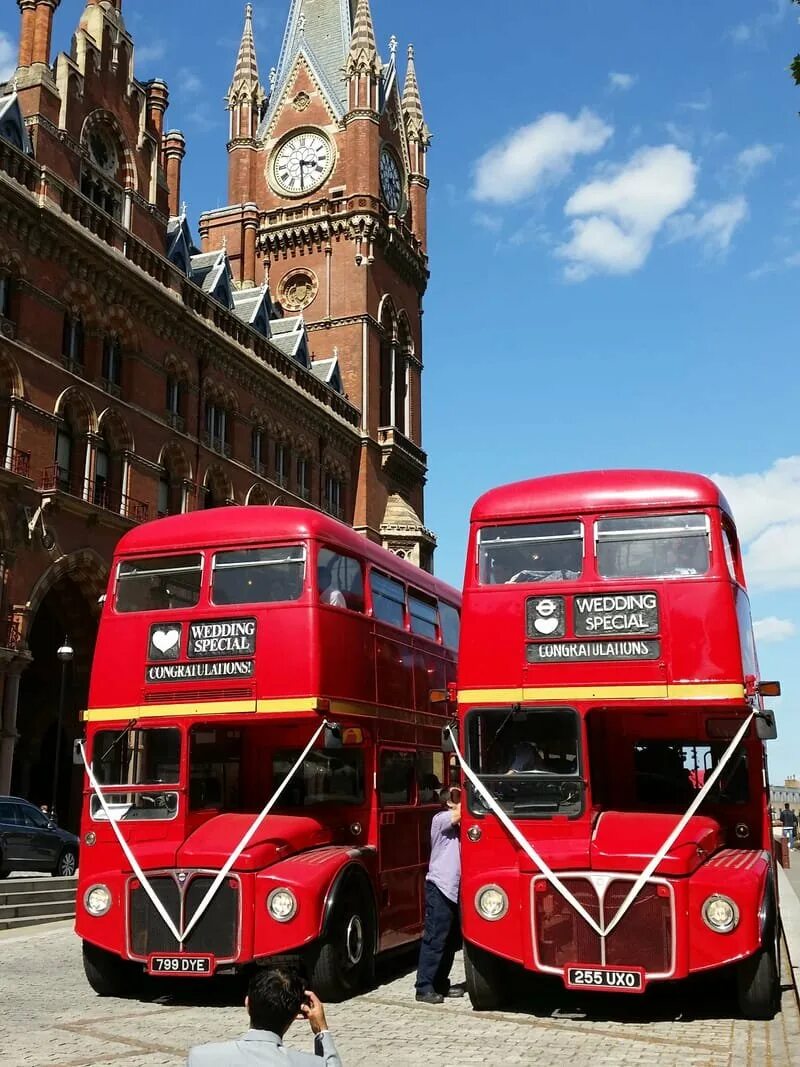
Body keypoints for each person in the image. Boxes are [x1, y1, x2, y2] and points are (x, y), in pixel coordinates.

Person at [187, 965, 341, 1066]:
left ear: (248, 1004)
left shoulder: (200, 1058)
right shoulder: (311, 1064)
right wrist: (321, 1030)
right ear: (295, 1015)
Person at [415, 786, 464, 1004]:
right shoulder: (441, 818)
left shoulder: (459, 823)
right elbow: (461, 812)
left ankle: (440, 982)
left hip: (455, 889)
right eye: (457, 796)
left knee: (451, 940)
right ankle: (424, 986)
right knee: (435, 938)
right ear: (448, 802)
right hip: (441, 886)